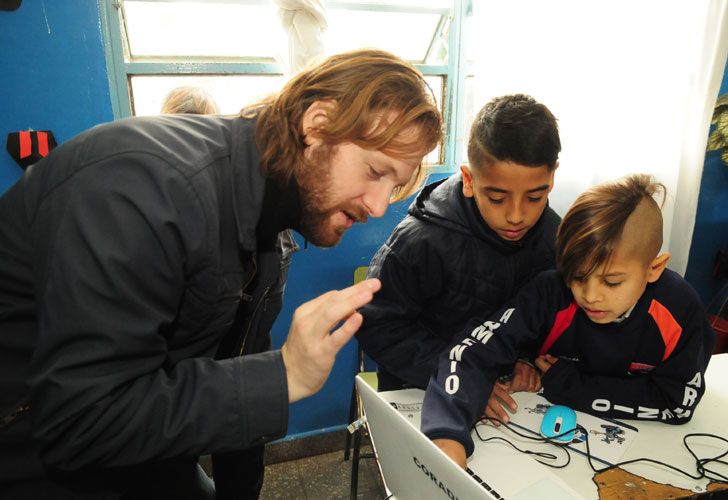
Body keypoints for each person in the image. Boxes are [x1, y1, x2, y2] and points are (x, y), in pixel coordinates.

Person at [0, 49, 442, 499]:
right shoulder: (145, 186)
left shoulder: (271, 235)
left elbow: (235, 375)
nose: (379, 206)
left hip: (144, 450)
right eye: (374, 172)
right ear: (317, 124)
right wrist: (284, 376)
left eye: (395, 185)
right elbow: (80, 420)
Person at [421, 174, 717, 469]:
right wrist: (446, 437)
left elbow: (677, 404)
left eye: (612, 282)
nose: (590, 296)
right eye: (578, 276)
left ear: (654, 268)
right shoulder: (551, 291)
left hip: (651, 454)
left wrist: (570, 384)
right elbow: (469, 352)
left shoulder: (679, 309)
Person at [356, 94, 561, 417]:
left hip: (509, 396)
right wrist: (459, 376)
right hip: (422, 386)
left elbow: (549, 320)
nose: (516, 216)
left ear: (552, 179)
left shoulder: (554, 238)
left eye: (535, 197)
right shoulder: (421, 240)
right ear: (469, 180)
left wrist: (525, 359)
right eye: (496, 198)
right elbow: (379, 326)